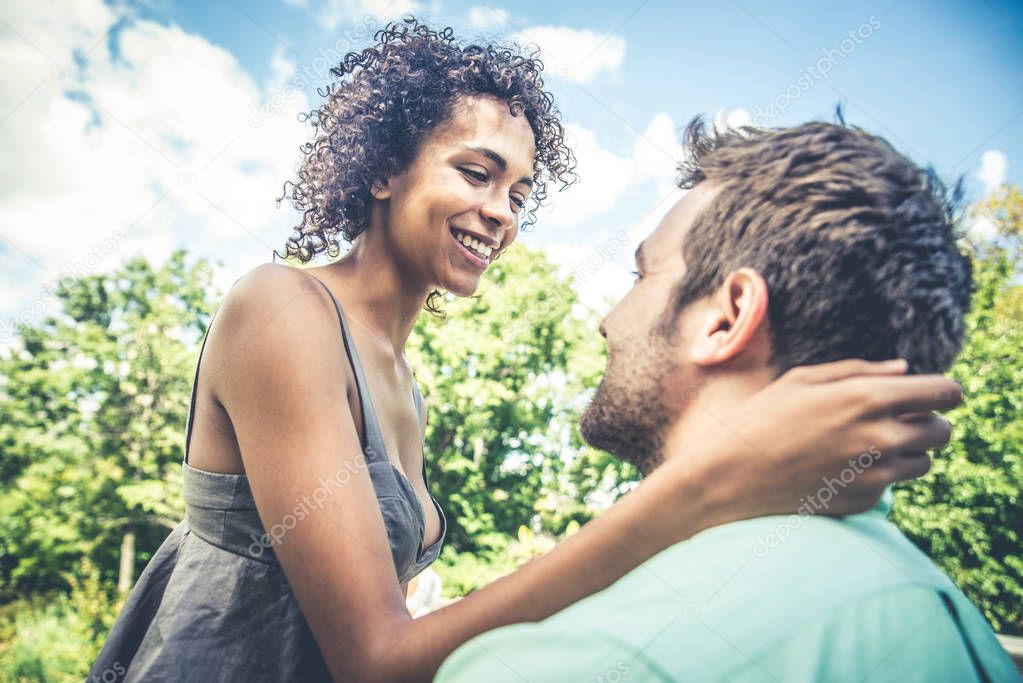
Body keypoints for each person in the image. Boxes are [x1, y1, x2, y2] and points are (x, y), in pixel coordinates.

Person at [89, 21, 964, 683]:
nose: (504, 211)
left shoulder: (402, 379)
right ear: (383, 169)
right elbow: (372, 656)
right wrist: (700, 491)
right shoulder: (281, 307)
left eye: (520, 191)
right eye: (476, 173)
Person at [434, 117, 1021, 682]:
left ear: (728, 318)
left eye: (643, 276)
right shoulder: (950, 618)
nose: (607, 323)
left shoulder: (589, 659)